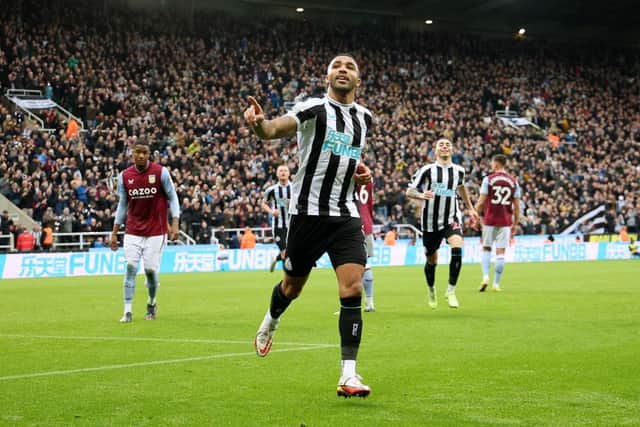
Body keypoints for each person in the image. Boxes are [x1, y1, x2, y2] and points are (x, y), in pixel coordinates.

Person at [243, 54, 373, 398]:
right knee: (292, 288)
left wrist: (361, 170)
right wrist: (259, 124)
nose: (343, 70)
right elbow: (272, 130)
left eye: (350, 67)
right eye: (337, 66)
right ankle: (271, 320)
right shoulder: (313, 108)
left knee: (353, 288)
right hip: (307, 214)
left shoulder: (365, 118)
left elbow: (345, 155)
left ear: (358, 80)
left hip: (345, 215)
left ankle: (349, 374)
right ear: (327, 76)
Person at [110, 142, 180, 323]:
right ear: (132, 154)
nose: (141, 156)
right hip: (132, 231)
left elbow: (173, 197)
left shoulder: (160, 173)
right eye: (137, 153)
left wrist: (175, 222)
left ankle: (151, 302)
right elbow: (122, 204)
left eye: (144, 153)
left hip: (156, 232)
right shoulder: (125, 176)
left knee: (150, 272)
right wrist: (114, 232)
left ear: (149, 154)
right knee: (130, 268)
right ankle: (127, 311)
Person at [406, 138, 479, 309]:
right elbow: (409, 190)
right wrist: (421, 195)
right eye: (441, 145)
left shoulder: (459, 170)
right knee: (432, 260)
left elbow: (461, 188)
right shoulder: (427, 170)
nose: (444, 147)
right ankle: (431, 290)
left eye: (447, 145)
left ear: (452, 150)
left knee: (457, 246)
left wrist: (470, 207)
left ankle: (451, 290)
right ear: (436, 150)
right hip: (430, 222)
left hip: (451, 219)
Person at [474, 154, 521, 291]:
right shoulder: (514, 182)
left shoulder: (488, 180)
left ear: (496, 164)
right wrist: (515, 223)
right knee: (501, 252)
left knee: (487, 248)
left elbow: (481, 202)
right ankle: (496, 284)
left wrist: (476, 216)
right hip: (505, 221)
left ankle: (485, 277)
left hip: (489, 220)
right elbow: (517, 207)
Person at [261, 165, 292, 272]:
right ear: (277, 174)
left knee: (290, 251)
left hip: (292, 225)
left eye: (285, 170)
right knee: (284, 252)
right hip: (278, 226)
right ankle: (286, 279)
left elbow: (302, 204)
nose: (283, 172)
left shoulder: (295, 188)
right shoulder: (271, 190)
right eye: (281, 171)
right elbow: (263, 203)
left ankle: (275, 258)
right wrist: (271, 212)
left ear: (289, 173)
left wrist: (293, 204)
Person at [356, 179, 376, 312]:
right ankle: (369, 303)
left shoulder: (349, 177)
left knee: (352, 265)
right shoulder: (368, 180)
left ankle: (352, 305)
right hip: (367, 222)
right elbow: (370, 204)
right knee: (364, 264)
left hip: (353, 222)